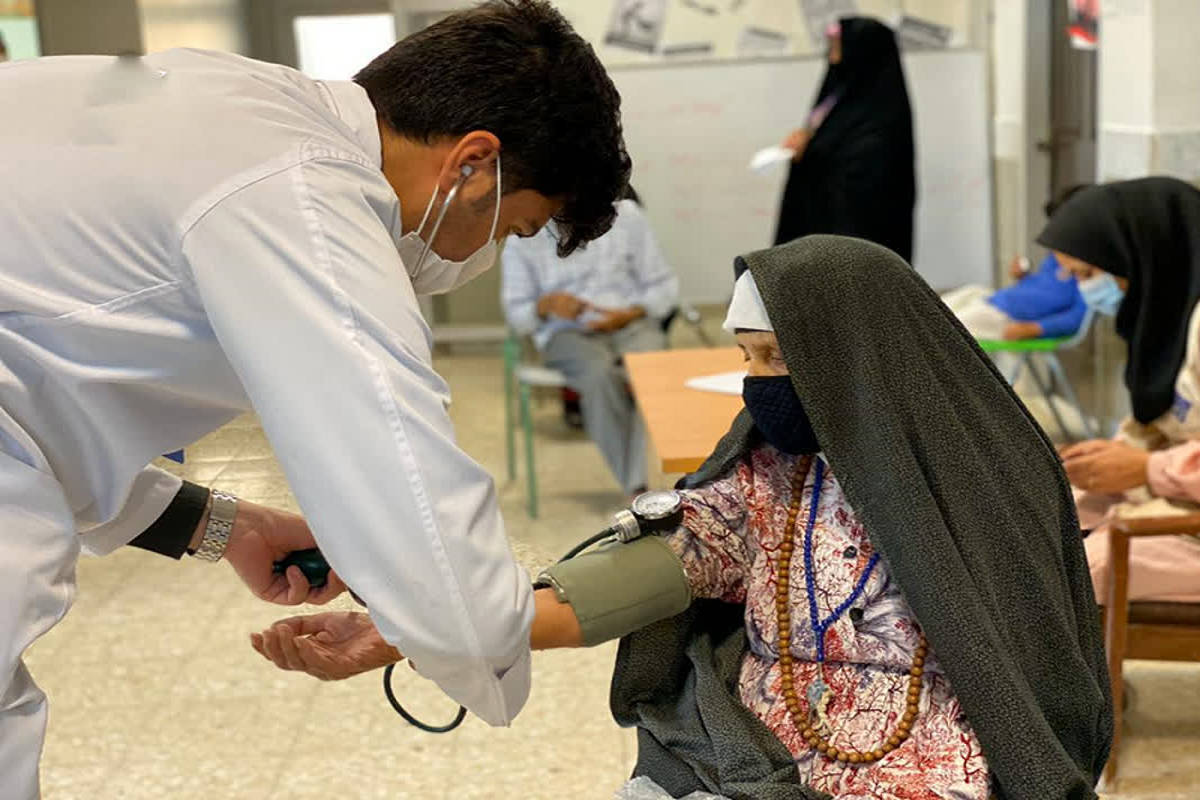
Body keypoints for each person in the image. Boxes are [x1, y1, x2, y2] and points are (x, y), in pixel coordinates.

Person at [0, 1, 630, 795]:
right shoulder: (300, 190)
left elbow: (48, 381)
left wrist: (226, 527)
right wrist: (473, 628)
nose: (488, 252)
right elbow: (391, 456)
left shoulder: (234, 100)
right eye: (513, 228)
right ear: (473, 164)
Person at [255, 236, 1112, 800]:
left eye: (775, 357)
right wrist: (410, 629)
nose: (756, 382)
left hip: (933, 762)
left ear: (854, 357)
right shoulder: (767, 478)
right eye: (745, 356)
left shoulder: (990, 480)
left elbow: (1037, 666)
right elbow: (641, 574)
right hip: (754, 758)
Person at [1038, 178, 1200, 605]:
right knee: (1047, 513)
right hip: (1181, 500)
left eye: (1089, 274)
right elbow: (1167, 419)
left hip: (1189, 518)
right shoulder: (1170, 321)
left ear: (1143, 255)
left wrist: (1148, 468)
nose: (1085, 289)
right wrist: (1111, 455)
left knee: (1071, 577)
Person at [501, 187, 679, 499]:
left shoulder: (628, 216)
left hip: (631, 322)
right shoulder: (525, 229)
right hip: (566, 332)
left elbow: (664, 288)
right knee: (598, 377)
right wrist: (546, 305)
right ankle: (640, 488)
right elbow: (517, 315)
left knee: (652, 378)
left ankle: (642, 486)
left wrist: (629, 314)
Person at [774, 18, 915, 262]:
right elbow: (822, 136)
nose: (831, 55)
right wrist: (804, 139)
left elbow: (860, 175)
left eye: (839, 45)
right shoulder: (839, 89)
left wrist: (813, 152)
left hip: (854, 239)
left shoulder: (881, 111)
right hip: (817, 225)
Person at [944, 185, 1089, 341]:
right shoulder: (1058, 256)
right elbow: (1044, 287)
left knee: (941, 328)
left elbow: (1077, 317)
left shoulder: (1088, 269)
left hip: (1008, 317)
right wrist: (1023, 277)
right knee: (947, 301)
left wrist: (1035, 328)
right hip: (997, 299)